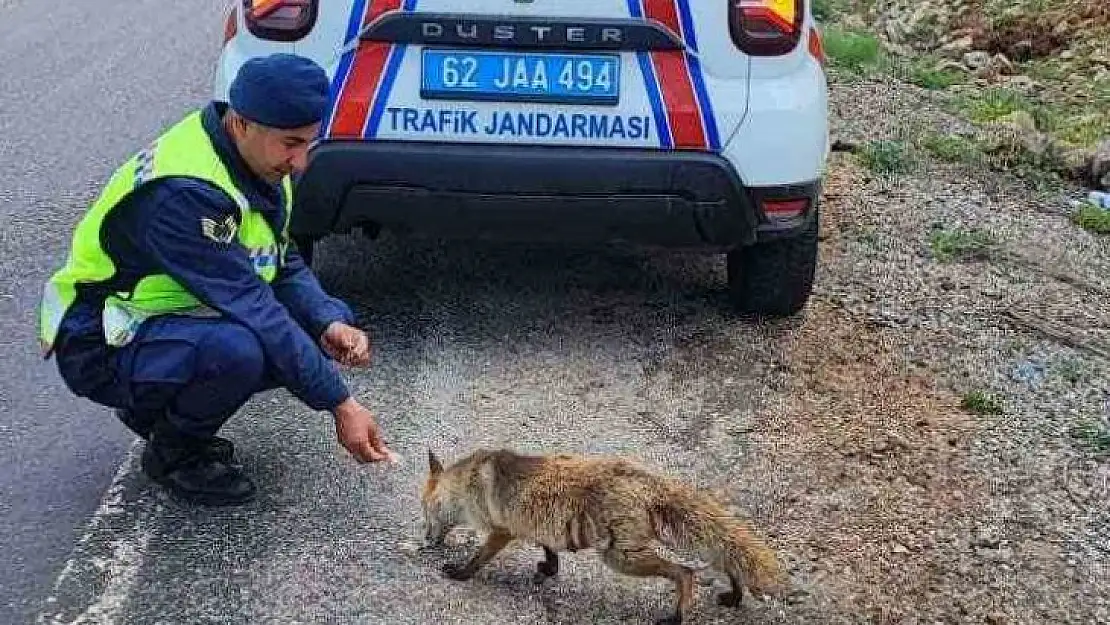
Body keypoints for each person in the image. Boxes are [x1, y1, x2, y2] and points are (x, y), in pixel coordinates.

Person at [36, 53, 398, 507]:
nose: (302, 161)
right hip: (100, 338)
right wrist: (340, 404)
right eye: (292, 143)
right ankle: (172, 454)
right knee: (241, 350)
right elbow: (256, 306)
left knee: (308, 331)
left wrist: (327, 320)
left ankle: (158, 410)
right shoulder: (187, 193)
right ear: (242, 123)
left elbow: (280, 262)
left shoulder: (254, 161)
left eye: (310, 142)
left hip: (166, 319)